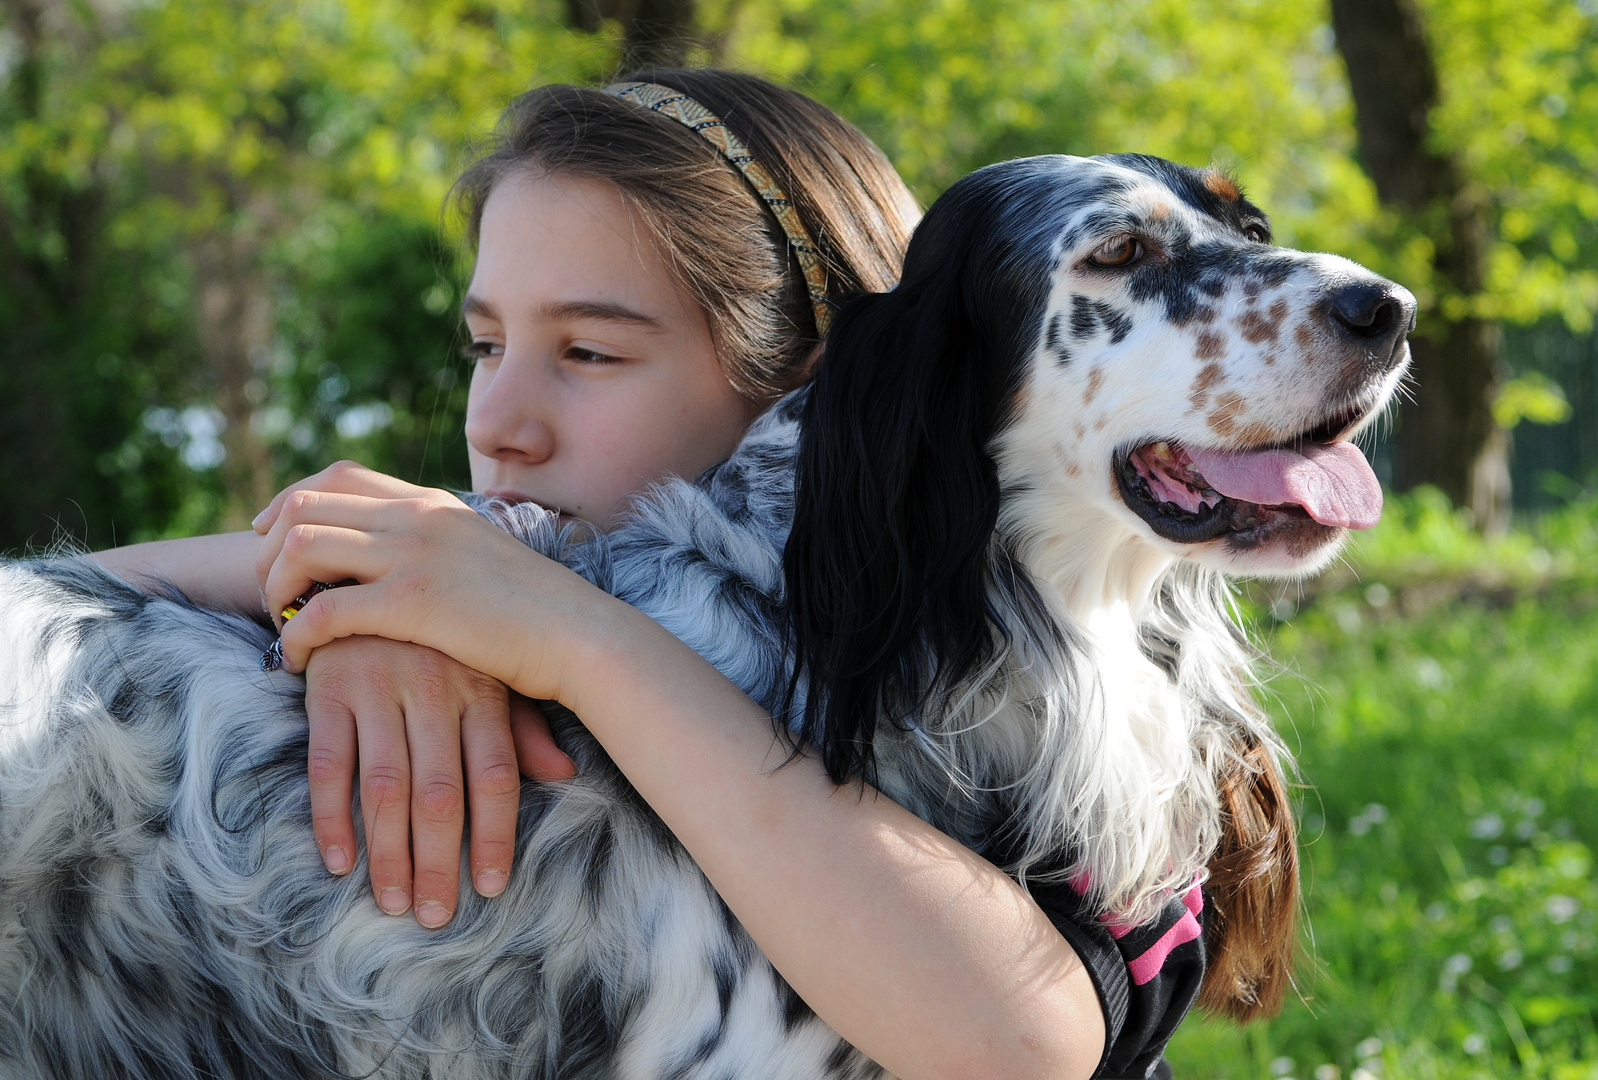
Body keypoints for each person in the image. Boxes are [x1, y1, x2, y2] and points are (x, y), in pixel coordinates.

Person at [91, 70, 1232, 1079]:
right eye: (487, 344)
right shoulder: (520, 561)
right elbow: (63, 597)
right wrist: (351, 602)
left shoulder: (1025, 660)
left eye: (588, 352)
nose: (500, 423)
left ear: (818, 390)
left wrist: (574, 639)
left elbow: (1013, 1043)